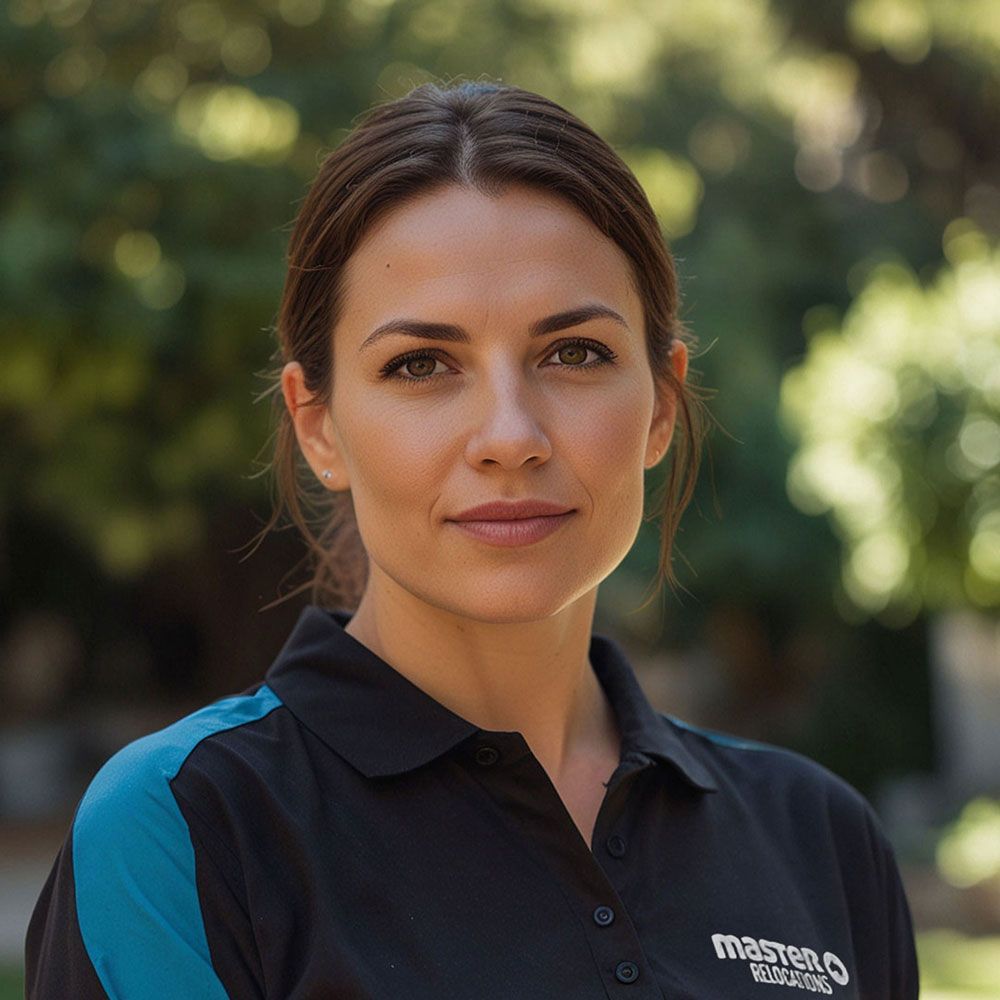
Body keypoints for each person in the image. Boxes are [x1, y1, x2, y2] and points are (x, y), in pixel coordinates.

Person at [25, 79, 920, 998]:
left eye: (575, 353)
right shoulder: (184, 827)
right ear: (319, 426)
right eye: (422, 365)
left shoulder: (822, 839)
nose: (509, 437)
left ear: (661, 404)